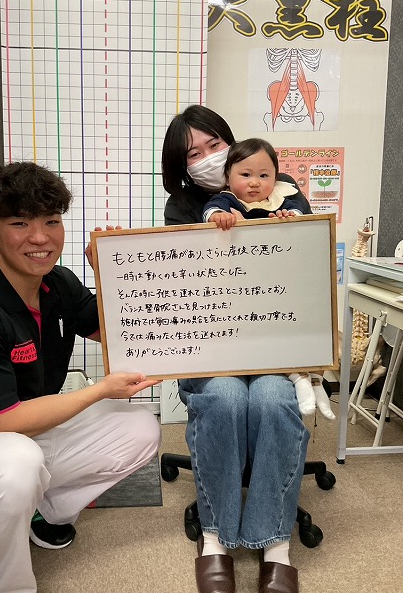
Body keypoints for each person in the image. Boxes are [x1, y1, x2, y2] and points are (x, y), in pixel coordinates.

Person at [0, 161, 161, 593]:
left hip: (25, 434)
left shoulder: (59, 282)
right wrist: (100, 390)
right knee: (16, 462)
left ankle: (43, 513)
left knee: (140, 427)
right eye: (20, 223)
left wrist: (113, 272)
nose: (40, 237)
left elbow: (113, 331)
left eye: (51, 221)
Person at [161, 104, 311, 593]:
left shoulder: (282, 191)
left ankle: (275, 542)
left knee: (273, 400)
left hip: (273, 344)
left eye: (214, 145)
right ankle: (215, 538)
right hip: (212, 347)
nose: (207, 157)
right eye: (193, 154)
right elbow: (176, 283)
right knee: (224, 398)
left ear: (231, 144)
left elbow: (307, 263)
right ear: (181, 166)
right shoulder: (182, 209)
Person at [203, 137, 335, 421]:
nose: (254, 183)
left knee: (292, 337)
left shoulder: (283, 199)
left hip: (279, 289)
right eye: (245, 175)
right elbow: (210, 211)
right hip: (239, 292)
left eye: (264, 176)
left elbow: (300, 216)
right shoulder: (227, 200)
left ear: (276, 177)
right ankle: (301, 380)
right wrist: (219, 218)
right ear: (228, 177)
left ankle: (312, 381)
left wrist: (288, 218)